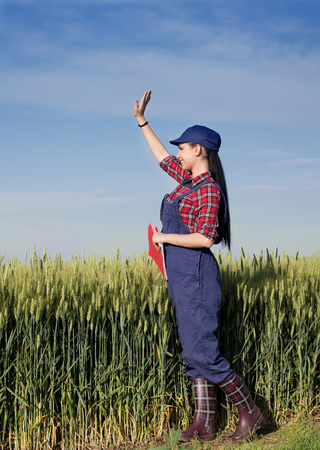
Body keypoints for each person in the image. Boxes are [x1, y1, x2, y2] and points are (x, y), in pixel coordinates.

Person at [134, 90, 263, 443]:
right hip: (179, 276)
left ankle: (249, 410)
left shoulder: (208, 190)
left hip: (197, 276)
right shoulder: (186, 183)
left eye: (183, 148)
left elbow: (207, 238)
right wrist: (142, 121)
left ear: (199, 151)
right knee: (192, 353)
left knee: (201, 350)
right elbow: (162, 158)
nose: (177, 152)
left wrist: (164, 239)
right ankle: (204, 423)